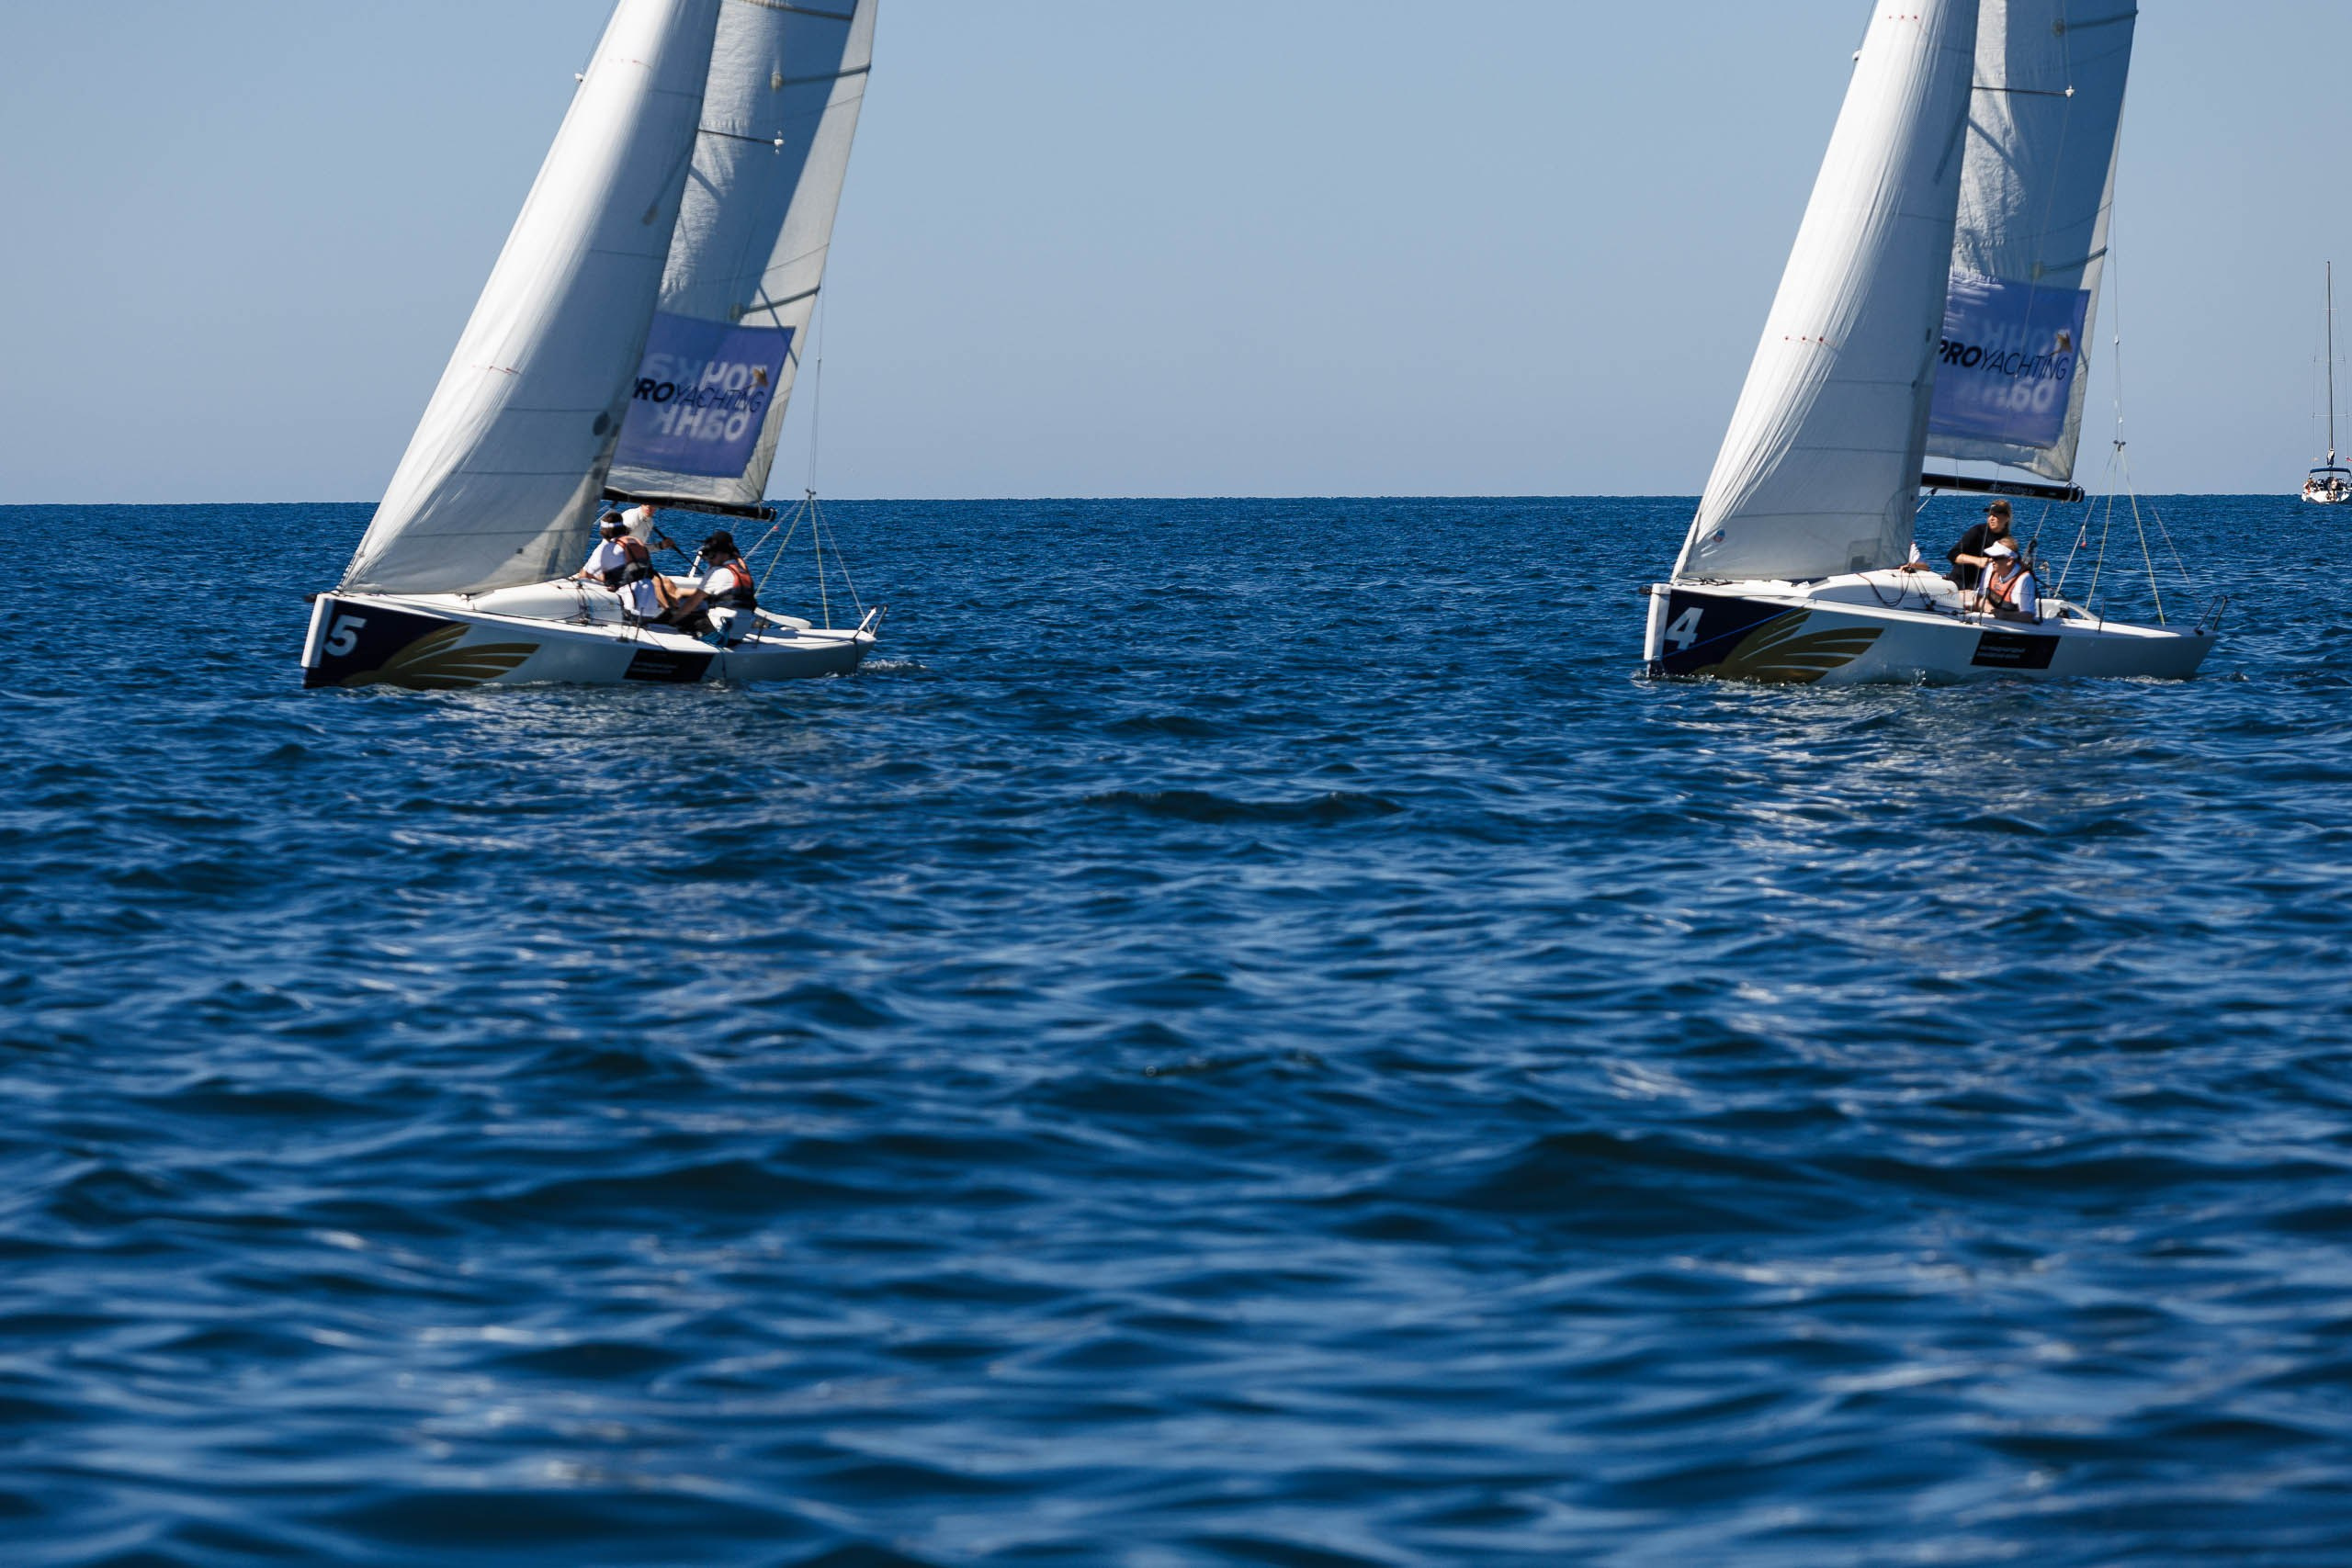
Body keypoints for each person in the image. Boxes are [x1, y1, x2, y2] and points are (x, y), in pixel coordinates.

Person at [650, 530, 757, 637]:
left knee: (676, 614)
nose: (709, 560)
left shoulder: (718, 571)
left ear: (724, 554)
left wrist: (672, 621)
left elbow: (692, 603)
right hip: (739, 634)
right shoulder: (744, 573)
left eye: (712, 555)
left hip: (721, 634)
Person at [571, 512, 660, 620]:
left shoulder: (608, 547)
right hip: (650, 606)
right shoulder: (636, 543)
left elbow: (586, 574)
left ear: (604, 531)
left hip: (632, 608)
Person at [1945, 500, 2015, 592]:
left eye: (1995, 515)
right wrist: (1977, 560)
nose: (1991, 518)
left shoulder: (2007, 540)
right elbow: (1952, 555)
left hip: (1986, 587)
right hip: (1961, 584)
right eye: (1990, 515)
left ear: (2006, 518)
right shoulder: (1977, 531)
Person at [1980, 541, 2041, 621]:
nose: (1991, 560)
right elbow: (1980, 597)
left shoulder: (2024, 579)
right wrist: (1989, 608)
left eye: (1996, 558)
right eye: (1991, 557)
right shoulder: (1991, 568)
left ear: (2009, 561)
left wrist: (2004, 615)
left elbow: (2028, 615)